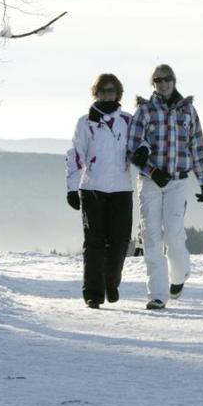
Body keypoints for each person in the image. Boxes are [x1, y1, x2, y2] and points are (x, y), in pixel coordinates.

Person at [128, 64, 203, 310]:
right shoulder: (144, 111)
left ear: (174, 81)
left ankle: (179, 277)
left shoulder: (187, 111)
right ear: (153, 83)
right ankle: (157, 294)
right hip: (150, 182)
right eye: (157, 80)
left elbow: (196, 148)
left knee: (174, 236)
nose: (162, 84)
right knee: (151, 236)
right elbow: (132, 149)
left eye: (167, 79)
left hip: (177, 181)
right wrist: (153, 171)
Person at [65, 74, 133, 309]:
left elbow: (139, 145)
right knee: (94, 242)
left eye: (111, 90)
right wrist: (72, 188)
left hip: (122, 188)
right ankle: (93, 293)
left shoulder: (128, 120)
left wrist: (142, 151)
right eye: (102, 90)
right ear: (96, 93)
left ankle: (111, 282)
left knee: (120, 241)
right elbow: (75, 154)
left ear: (118, 93)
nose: (106, 94)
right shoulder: (86, 122)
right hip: (92, 187)